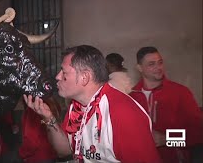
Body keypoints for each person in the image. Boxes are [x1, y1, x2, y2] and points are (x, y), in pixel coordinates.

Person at [23, 45, 161, 162]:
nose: (57, 77)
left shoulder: (122, 112)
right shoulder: (76, 106)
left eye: (64, 72)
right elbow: (64, 150)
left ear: (84, 77)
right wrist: (49, 118)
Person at [129, 46, 203, 163]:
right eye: (151, 64)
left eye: (160, 62)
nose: (158, 67)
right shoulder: (132, 97)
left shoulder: (180, 92)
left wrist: (167, 138)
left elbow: (198, 133)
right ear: (139, 68)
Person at [18, 96, 60, 163]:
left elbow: (31, 138)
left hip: (37, 157)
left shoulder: (32, 110)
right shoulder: (48, 107)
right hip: (50, 154)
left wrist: (22, 154)